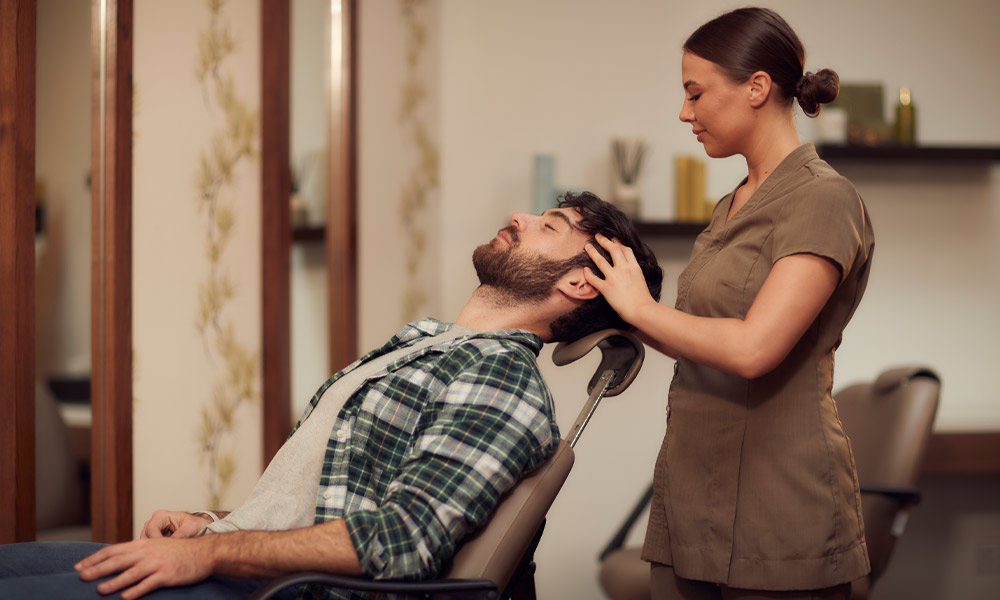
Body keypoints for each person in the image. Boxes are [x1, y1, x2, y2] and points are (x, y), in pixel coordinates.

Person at [0, 192, 662, 600]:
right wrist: (212, 524)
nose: (519, 215)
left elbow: (403, 539)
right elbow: (334, 504)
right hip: (244, 566)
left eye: (549, 225)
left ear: (579, 284)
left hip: (279, 592)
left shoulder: (501, 381)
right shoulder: (432, 348)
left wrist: (208, 553)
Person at [583, 7, 874, 600]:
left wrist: (641, 310)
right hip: (693, 494)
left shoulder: (824, 199)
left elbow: (752, 349)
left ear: (757, 87)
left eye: (695, 93)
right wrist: (615, 309)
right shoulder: (732, 204)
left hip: (781, 505)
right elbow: (702, 336)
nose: (684, 112)